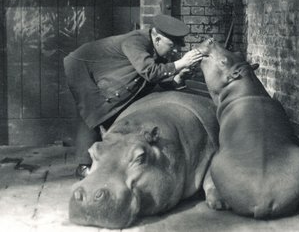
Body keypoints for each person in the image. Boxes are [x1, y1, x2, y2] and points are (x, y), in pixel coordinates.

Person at [64, 14, 203, 178]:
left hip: (111, 72)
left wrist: (179, 76)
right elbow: (150, 72)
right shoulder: (136, 41)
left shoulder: (159, 48)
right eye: (172, 45)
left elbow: (158, 79)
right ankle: (84, 166)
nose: (175, 50)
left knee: (118, 104)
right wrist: (180, 64)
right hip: (82, 68)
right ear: (157, 39)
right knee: (93, 113)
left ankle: (110, 154)